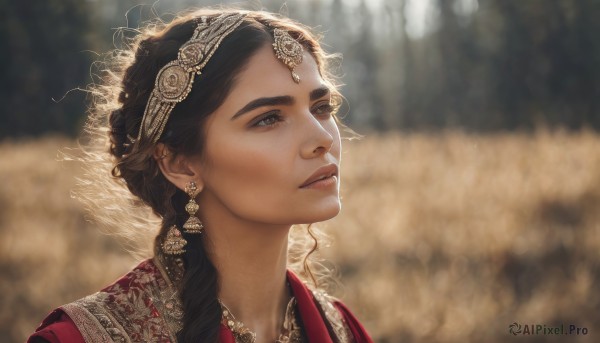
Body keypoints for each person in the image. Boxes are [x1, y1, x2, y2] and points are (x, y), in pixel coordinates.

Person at [28, 8, 372, 343]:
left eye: (321, 107)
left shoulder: (342, 330)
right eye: (268, 118)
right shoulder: (79, 338)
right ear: (181, 164)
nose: (323, 139)